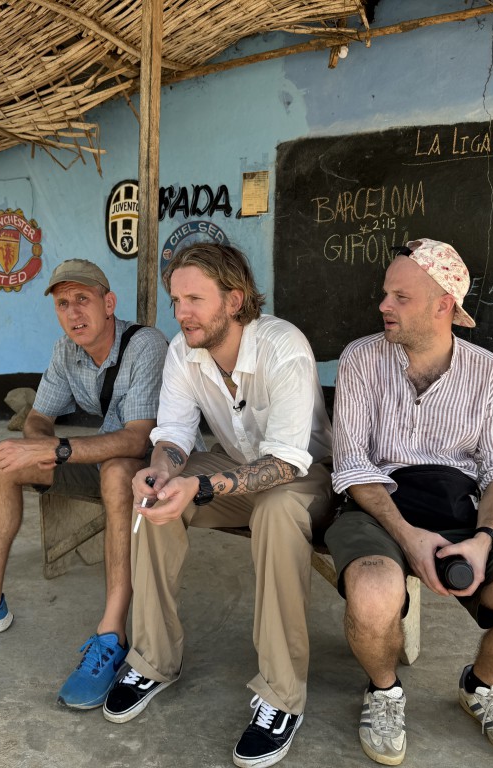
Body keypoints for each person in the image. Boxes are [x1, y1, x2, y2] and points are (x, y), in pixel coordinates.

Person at [325, 239, 493, 765]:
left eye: (400, 297)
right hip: (376, 506)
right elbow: (351, 464)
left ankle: (482, 685)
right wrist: (407, 536)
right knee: (372, 592)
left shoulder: (487, 372)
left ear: (443, 305)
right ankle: (384, 690)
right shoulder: (361, 358)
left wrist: (484, 539)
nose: (383, 305)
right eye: (385, 293)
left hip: (459, 509)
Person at [102, 243, 333, 768]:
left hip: (306, 476)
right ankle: (153, 659)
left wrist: (202, 487)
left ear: (234, 300)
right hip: (235, 467)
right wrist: (162, 471)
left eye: (194, 300)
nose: (181, 313)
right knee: (157, 498)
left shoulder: (283, 346)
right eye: (176, 300)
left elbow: (287, 462)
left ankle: (281, 696)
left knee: (275, 511)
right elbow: (175, 435)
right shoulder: (184, 351)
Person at [0, 259, 169, 711]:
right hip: (101, 457)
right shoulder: (66, 350)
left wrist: (58, 450)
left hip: (158, 467)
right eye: (63, 304)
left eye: (83, 300)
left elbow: (136, 439)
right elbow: (38, 417)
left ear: (109, 303)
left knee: (115, 471)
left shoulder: (145, 345)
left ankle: (112, 634)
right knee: (1, 463)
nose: (73, 312)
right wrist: (36, 446)